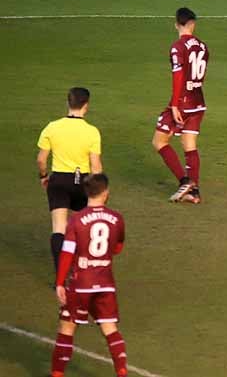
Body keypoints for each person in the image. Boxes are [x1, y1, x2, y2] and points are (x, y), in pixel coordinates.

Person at [50, 173, 128, 377]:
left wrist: (60, 282)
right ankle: (121, 371)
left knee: (67, 327)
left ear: (86, 193)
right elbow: (118, 248)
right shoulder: (117, 219)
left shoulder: (76, 220)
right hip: (105, 283)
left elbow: (67, 252)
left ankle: (57, 374)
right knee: (110, 329)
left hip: (80, 283)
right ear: (105, 193)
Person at [36, 87, 103, 277]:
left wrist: (43, 176)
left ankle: (61, 276)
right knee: (84, 225)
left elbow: (41, 159)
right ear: (86, 106)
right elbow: (95, 164)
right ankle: (82, 270)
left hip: (58, 180)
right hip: (83, 181)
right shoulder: (92, 132)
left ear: (68, 103)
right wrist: (99, 190)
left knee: (59, 227)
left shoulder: (52, 127)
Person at [152, 7, 209, 205]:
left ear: (176, 24)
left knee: (159, 141)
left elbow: (178, 76)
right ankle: (195, 192)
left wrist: (175, 105)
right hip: (198, 101)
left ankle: (184, 181)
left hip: (182, 101)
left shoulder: (177, 47)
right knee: (190, 145)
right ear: (193, 24)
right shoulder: (203, 47)